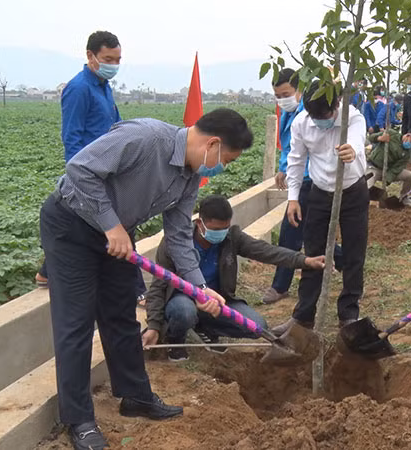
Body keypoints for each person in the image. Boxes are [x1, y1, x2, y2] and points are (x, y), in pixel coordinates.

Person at [39, 108, 254, 450]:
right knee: (76, 323)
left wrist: (199, 288)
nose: (221, 167)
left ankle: (135, 396)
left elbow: (180, 235)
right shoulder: (145, 138)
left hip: (117, 236)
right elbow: (79, 170)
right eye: (225, 159)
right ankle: (78, 419)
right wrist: (111, 226)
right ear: (212, 143)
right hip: (71, 227)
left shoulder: (188, 177)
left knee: (122, 316)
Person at [142, 195, 326, 361]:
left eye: (225, 228)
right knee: (184, 311)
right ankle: (176, 340)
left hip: (218, 301)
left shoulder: (231, 238)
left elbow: (266, 251)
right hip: (182, 300)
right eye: (216, 229)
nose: (221, 234)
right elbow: (159, 285)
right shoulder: (174, 243)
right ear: (200, 224)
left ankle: (206, 327)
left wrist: (305, 261)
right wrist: (154, 325)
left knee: (256, 326)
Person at [271, 81, 368, 335]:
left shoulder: (353, 119)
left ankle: (349, 314)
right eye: (314, 117)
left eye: (323, 117)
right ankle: (303, 317)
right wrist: (293, 198)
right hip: (320, 193)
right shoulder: (303, 122)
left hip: (352, 192)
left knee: (354, 253)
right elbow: (296, 159)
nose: (319, 122)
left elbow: (357, 143)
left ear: (336, 105)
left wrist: (352, 151)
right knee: (313, 253)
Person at [34, 31, 129, 290]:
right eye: (108, 59)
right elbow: (72, 136)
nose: (114, 65)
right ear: (91, 56)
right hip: (89, 171)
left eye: (118, 59)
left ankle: (47, 272)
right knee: (84, 221)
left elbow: (115, 128)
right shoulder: (78, 89)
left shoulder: (103, 86)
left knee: (86, 223)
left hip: (107, 168)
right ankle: (50, 272)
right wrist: (79, 177)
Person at [366, 128, 411, 206]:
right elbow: (371, 137)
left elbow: (396, 168)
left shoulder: (406, 154)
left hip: (388, 171)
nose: (410, 146)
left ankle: (404, 198)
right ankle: (370, 198)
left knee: (409, 176)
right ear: (408, 135)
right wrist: (380, 138)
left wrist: (387, 179)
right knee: (365, 187)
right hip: (374, 167)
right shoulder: (391, 134)